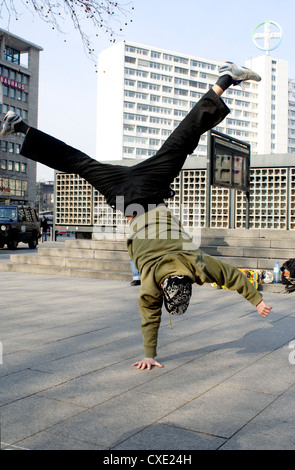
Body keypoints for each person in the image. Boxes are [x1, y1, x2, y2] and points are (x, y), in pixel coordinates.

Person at [1, 61, 272, 370]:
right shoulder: (152, 284)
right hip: (127, 199)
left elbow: (232, 276)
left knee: (179, 141)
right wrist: (149, 354)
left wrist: (257, 300)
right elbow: (150, 315)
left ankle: (226, 78)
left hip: (145, 190)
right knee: (80, 162)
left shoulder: (196, 265)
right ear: (164, 288)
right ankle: (18, 125)